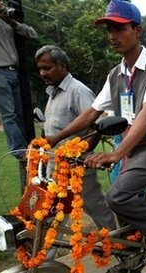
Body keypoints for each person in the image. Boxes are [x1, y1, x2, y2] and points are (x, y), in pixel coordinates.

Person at [46, 0, 146, 254]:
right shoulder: (115, 74)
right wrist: (57, 138)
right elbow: (91, 113)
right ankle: (132, 252)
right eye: (109, 29)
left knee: (116, 196)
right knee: (121, 202)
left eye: (120, 28)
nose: (112, 36)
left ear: (137, 30)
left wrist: (115, 154)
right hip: (131, 148)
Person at [34, 45, 116, 231]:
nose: (42, 73)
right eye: (40, 69)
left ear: (62, 65)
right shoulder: (53, 92)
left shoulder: (78, 91)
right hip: (56, 166)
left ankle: (119, 245)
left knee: (95, 207)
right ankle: (45, 257)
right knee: (54, 211)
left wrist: (81, 156)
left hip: (77, 166)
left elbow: (97, 127)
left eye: (47, 68)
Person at [0, 0, 38, 159]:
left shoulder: (7, 20)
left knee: (20, 113)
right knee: (8, 115)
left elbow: (32, 33)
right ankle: (19, 151)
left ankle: (28, 147)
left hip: (15, 71)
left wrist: (10, 21)